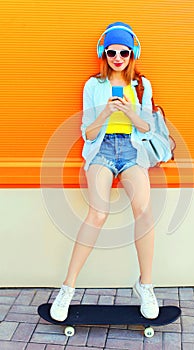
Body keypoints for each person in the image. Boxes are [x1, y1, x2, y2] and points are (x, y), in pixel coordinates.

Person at [50, 21, 159, 322]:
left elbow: (148, 128)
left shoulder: (141, 85)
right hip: (102, 150)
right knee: (98, 213)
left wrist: (129, 112)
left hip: (132, 150)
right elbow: (88, 133)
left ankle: (145, 285)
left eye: (124, 52)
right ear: (104, 53)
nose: (118, 58)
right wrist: (107, 113)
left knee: (144, 212)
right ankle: (67, 289)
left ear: (132, 53)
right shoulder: (93, 86)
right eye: (112, 52)